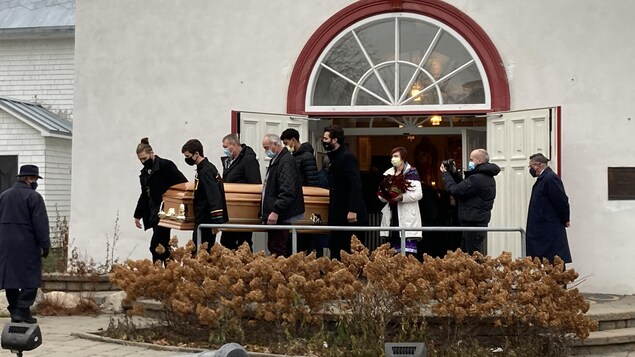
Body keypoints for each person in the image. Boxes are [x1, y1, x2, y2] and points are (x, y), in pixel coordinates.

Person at [0, 164, 50, 323]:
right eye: (35, 179)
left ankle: (16, 310)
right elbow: (40, 224)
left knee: (10, 278)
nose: (36, 182)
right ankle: (22, 309)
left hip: (5, 244)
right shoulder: (34, 197)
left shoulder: (3, 196)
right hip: (26, 243)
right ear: (29, 179)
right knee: (31, 278)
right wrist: (45, 244)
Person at [134, 138, 187, 263]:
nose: (143, 162)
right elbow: (144, 194)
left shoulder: (165, 166)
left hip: (165, 211)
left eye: (145, 158)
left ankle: (159, 272)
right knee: (163, 246)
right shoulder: (144, 173)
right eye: (140, 160)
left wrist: (172, 200)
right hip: (153, 212)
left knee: (155, 246)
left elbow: (182, 183)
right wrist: (138, 215)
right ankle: (169, 271)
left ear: (152, 153)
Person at [440, 148, 500, 254]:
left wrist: (446, 175)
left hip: (473, 223)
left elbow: (456, 190)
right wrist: (454, 174)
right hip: (474, 222)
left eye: (471, 160)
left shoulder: (477, 179)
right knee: (467, 255)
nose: (470, 162)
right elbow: (465, 188)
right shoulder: (484, 177)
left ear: (480, 160)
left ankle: (479, 271)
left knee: (473, 256)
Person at [323, 125, 367, 260]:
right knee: (336, 248)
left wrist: (352, 209)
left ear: (335, 140)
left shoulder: (346, 157)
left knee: (349, 249)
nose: (323, 141)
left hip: (347, 212)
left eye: (326, 138)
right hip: (338, 212)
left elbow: (355, 184)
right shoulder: (334, 157)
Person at [261, 133, 305, 256]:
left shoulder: (285, 162)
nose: (265, 151)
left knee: (277, 248)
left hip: (281, 215)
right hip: (278, 214)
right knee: (274, 246)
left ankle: (280, 274)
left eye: (266, 148)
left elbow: (287, 189)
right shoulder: (277, 160)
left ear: (275, 144)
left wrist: (276, 210)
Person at [181, 139, 228, 252]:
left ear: (197, 153)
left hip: (206, 219)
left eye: (188, 156)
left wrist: (216, 222)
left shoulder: (205, 171)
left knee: (201, 252)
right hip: (203, 218)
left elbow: (214, 196)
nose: (187, 159)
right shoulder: (206, 168)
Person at [526, 153, 572, 264]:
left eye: (531, 166)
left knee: (553, 261)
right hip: (544, 227)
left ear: (537, 165)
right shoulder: (544, 179)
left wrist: (565, 219)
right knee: (547, 261)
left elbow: (561, 201)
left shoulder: (550, 178)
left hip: (549, 228)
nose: (531, 169)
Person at [377, 147, 423, 254]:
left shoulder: (411, 172)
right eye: (392, 156)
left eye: (396, 156)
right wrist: (386, 195)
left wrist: (402, 197)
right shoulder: (388, 173)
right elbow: (380, 196)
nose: (393, 158)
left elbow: (418, 194)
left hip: (407, 217)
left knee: (408, 255)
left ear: (403, 158)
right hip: (392, 218)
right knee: (393, 254)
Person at [280, 128, 319, 255]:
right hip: (296, 202)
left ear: (293, 140)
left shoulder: (307, 157)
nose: (286, 146)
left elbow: (312, 181)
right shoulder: (293, 156)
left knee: (303, 240)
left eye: (286, 143)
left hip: (305, 202)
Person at [220, 134, 261, 250]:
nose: (225, 150)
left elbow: (255, 184)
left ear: (234, 144)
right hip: (231, 211)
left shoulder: (248, 160)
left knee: (243, 244)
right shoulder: (230, 161)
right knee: (226, 242)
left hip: (243, 210)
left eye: (225, 146)